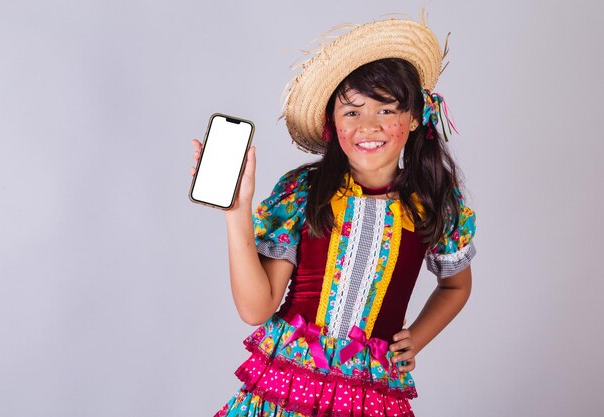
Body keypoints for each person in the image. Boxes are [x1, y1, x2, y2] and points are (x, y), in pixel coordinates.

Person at [191, 17, 476, 417]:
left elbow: (455, 286)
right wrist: (237, 211)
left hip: (369, 393)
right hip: (285, 386)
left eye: (387, 109)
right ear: (332, 123)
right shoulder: (302, 193)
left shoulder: (434, 202)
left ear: (414, 118)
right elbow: (256, 310)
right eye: (352, 112)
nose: (369, 126)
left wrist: (417, 338)